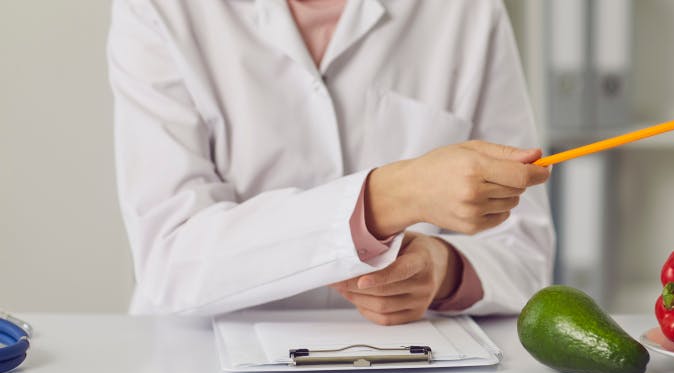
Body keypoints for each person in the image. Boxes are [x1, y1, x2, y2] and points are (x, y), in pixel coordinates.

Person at [107, 0, 555, 324]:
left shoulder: (467, 12)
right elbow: (170, 258)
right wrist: (390, 196)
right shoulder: (158, 10)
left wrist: (444, 269)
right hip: (201, 367)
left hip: (408, 368)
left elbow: (526, 256)